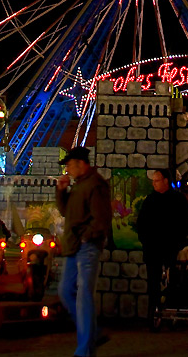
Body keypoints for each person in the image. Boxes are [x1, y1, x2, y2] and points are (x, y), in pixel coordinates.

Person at [56, 145, 111, 357]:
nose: (67, 169)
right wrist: (61, 191)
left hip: (86, 247)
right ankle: (92, 333)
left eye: (69, 165)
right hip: (74, 246)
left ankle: (84, 350)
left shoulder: (95, 185)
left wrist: (87, 236)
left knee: (83, 295)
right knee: (66, 291)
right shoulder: (79, 185)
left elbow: (102, 219)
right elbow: (66, 212)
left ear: (81, 164)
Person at [136, 168, 188, 322]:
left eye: (157, 180)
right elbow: (141, 223)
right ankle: (154, 314)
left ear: (165, 181)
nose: (154, 184)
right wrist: (145, 240)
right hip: (152, 248)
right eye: (153, 181)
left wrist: (179, 241)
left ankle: (173, 311)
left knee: (174, 280)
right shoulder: (150, 200)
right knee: (153, 283)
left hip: (171, 248)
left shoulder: (178, 199)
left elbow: (186, 222)